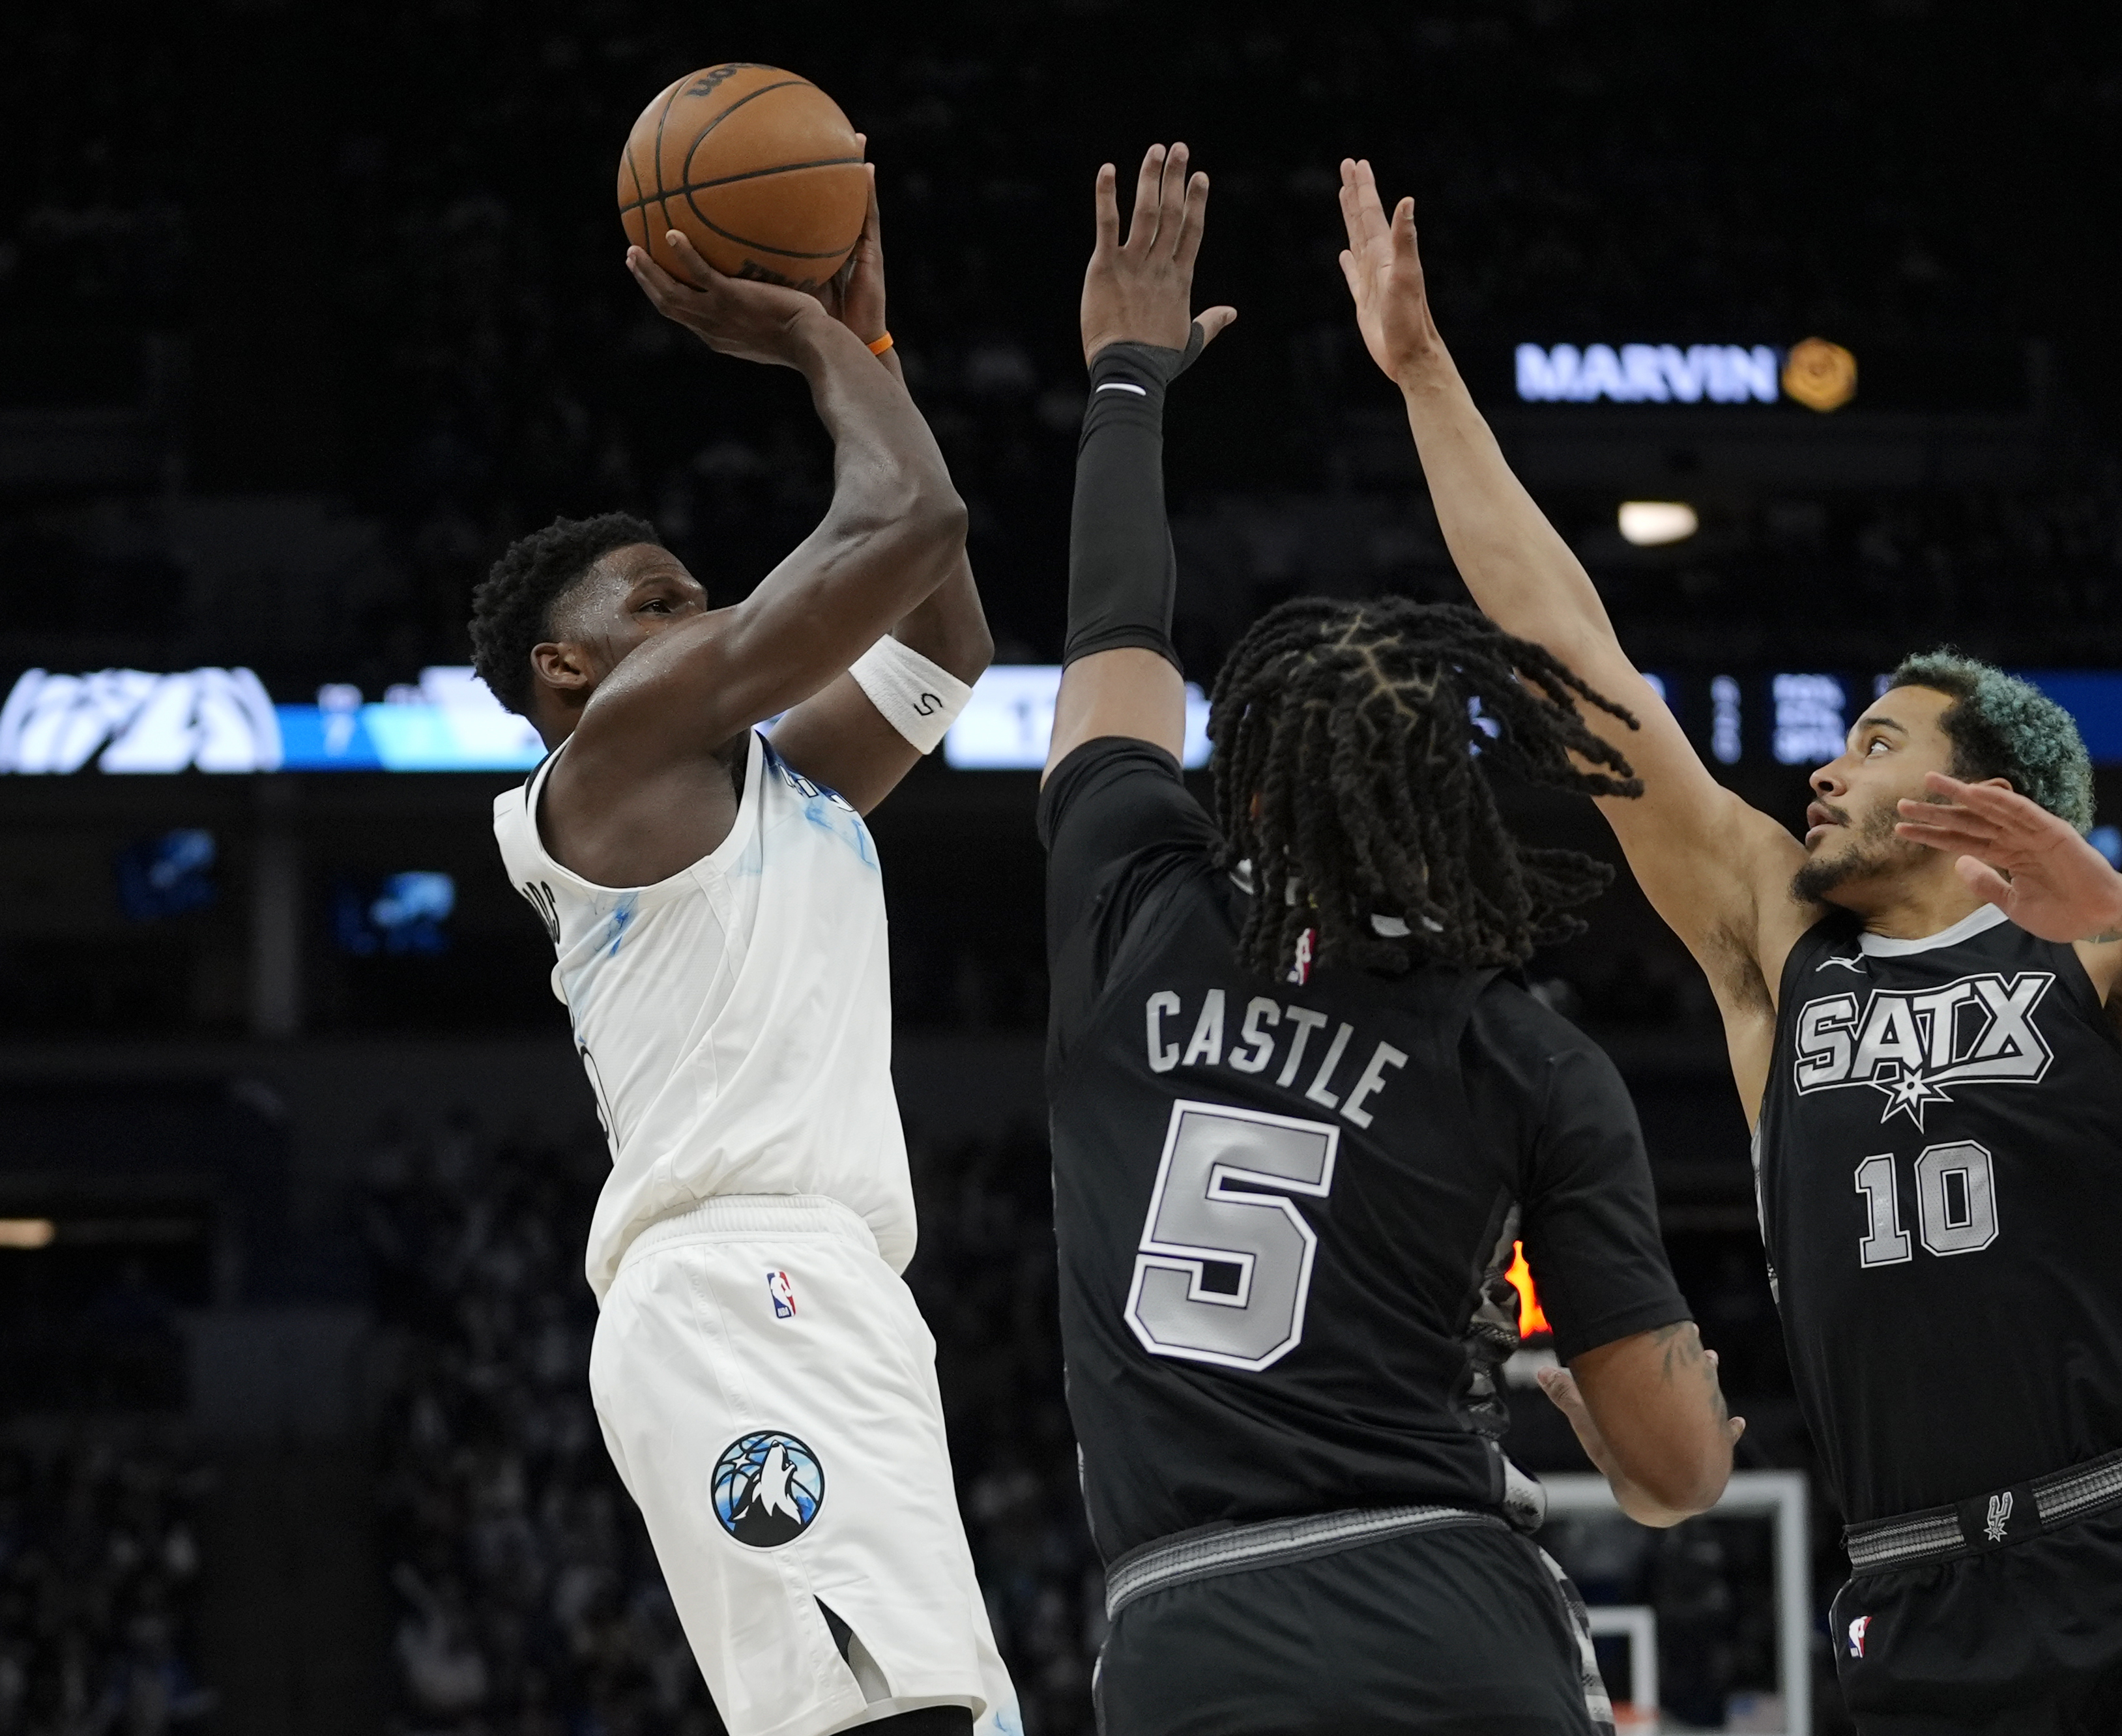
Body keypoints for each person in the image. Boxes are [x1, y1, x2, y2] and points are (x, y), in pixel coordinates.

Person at [1334, 158, 2122, 1735]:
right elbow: (1575, 657)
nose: (1825, 768)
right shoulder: (1777, 948)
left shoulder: (2108, 961)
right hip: (1914, 1601)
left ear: (1974, 797)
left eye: (1871, 739)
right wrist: (1426, 376)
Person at [1037, 143, 1739, 1736]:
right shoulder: (1522, 1048)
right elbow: (1678, 1475)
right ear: (1454, 807)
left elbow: (1112, 635)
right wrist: (1675, 1412)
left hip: (1185, 1634)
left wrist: (1130, 384)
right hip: (1445, 1610)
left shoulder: (1126, 897)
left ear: (1251, 781)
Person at [467, 166, 1019, 1736]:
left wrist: (877, 356)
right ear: (569, 668)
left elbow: (944, 633)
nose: (706, 621)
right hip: (736, 1286)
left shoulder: (778, 786)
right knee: (887, 1721)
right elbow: (908, 515)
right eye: (663, 603)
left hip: (825, 1286)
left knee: (948, 1714)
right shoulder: (616, 757)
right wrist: (802, 341)